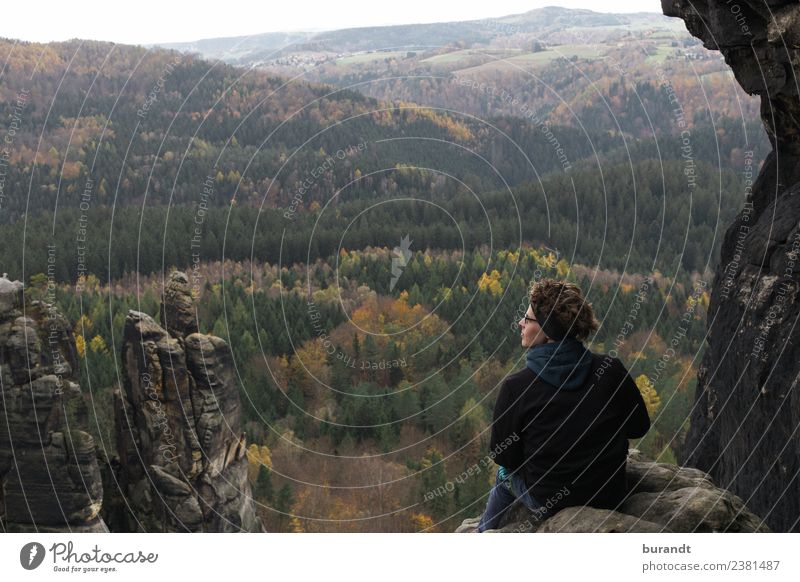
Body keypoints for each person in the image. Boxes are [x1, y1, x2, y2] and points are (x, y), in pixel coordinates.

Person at [477, 278, 651, 532]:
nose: (521, 323)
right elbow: (638, 427)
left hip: (548, 499)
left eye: (528, 319)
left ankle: (483, 533)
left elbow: (505, 456)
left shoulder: (517, 387)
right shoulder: (610, 370)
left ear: (548, 331)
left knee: (504, 475)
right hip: (609, 493)